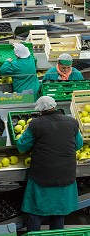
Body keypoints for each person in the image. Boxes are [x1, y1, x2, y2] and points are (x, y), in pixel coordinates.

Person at [16, 96, 83, 232]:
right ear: (55, 106)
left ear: (40, 110)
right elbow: (78, 145)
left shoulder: (35, 124)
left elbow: (22, 146)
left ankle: (34, 235)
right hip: (65, 174)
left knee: (35, 212)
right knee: (58, 212)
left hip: (42, 176)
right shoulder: (72, 122)